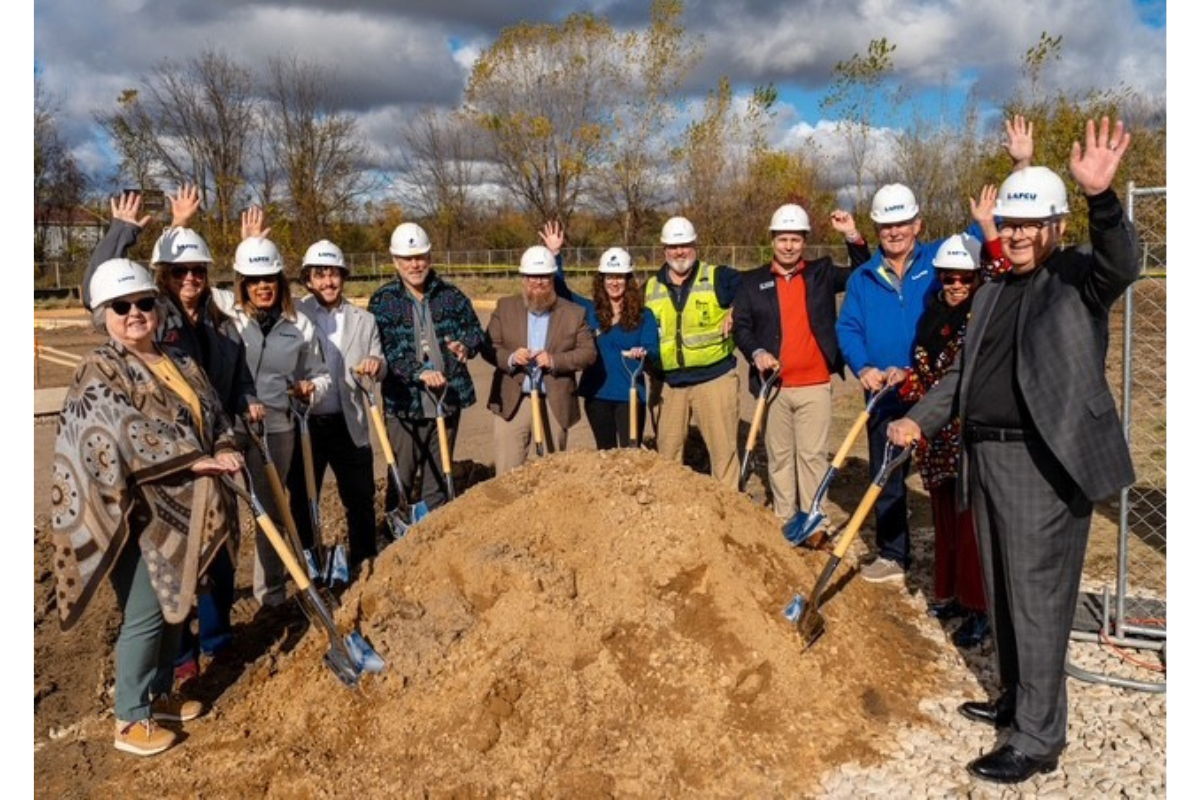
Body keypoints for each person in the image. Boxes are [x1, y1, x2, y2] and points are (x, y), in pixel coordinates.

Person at [888, 118, 1137, 784]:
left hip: (1044, 463)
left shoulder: (1080, 277)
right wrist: (917, 419)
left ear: (1056, 226)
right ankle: (1015, 702)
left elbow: (1124, 261)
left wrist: (1102, 200)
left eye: (1033, 224)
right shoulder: (993, 288)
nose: (1020, 234)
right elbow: (961, 374)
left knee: (1036, 598)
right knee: (1001, 590)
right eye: (1012, 224)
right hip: (984, 458)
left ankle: (1037, 737)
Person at [51, 257, 243, 756]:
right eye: (121, 306)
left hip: (182, 506)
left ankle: (159, 697)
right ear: (103, 315)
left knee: (174, 606)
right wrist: (193, 458)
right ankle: (130, 718)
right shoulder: (99, 368)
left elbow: (213, 412)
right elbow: (119, 431)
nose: (135, 313)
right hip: (132, 513)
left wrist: (224, 446)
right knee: (146, 611)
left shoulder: (178, 360)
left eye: (142, 303)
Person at [834, 118, 1034, 584]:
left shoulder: (944, 259)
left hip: (940, 395)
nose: (894, 232)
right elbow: (848, 327)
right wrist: (863, 368)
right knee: (886, 480)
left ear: (917, 224)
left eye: (902, 223)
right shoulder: (864, 277)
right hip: (885, 393)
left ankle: (965, 571)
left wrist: (1021, 165)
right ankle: (893, 554)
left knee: (953, 484)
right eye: (886, 225)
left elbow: (997, 220)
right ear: (877, 228)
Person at [889, 231, 990, 649]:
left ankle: (980, 608)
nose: (955, 286)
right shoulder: (931, 317)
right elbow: (925, 371)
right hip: (935, 439)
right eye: (949, 278)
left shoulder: (981, 320)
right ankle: (950, 594)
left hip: (966, 435)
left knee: (972, 526)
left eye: (965, 279)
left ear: (977, 281)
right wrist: (906, 379)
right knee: (944, 519)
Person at [227, 219, 331, 608]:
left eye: (270, 277)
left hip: (277, 427)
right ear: (243, 283)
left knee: (270, 512)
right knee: (222, 515)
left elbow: (321, 376)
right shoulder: (228, 315)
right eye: (254, 280)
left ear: (281, 281)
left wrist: (310, 390)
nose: (263, 286)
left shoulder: (299, 324)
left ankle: (270, 595)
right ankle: (215, 602)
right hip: (229, 425)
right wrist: (246, 244)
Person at [733, 203, 850, 529]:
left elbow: (865, 272)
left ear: (804, 242)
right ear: (772, 240)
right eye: (783, 239)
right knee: (780, 457)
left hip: (814, 384)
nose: (788, 246)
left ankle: (815, 520)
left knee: (812, 457)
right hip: (775, 388)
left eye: (795, 239)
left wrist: (852, 235)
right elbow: (741, 326)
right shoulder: (752, 282)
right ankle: (784, 518)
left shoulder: (821, 273)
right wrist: (756, 351)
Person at [368, 222, 487, 511]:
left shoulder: (451, 296)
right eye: (407, 258)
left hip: (446, 401)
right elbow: (386, 350)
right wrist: (419, 373)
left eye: (420, 256)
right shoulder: (383, 301)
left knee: (438, 477)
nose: (415, 264)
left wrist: (465, 345)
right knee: (402, 478)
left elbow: (475, 331)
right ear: (395, 261)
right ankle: (396, 535)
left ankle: (434, 540)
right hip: (404, 405)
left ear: (430, 257)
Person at [290, 239, 386, 569]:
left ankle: (364, 560)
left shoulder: (364, 319)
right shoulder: (295, 314)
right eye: (320, 275)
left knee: (360, 498)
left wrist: (375, 362)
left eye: (334, 274)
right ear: (308, 279)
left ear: (343, 277)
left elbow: (379, 358)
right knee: (304, 500)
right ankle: (309, 564)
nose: (328, 282)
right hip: (306, 423)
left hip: (349, 421)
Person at [540, 221, 660, 448]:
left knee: (629, 456)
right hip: (598, 396)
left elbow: (654, 349)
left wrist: (642, 352)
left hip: (631, 395)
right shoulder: (590, 311)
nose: (614, 282)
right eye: (609, 277)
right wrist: (555, 254)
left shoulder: (645, 315)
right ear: (602, 280)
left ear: (628, 280)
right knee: (604, 454)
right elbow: (560, 292)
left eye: (620, 277)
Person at [643, 216, 742, 487]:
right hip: (669, 385)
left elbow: (755, 290)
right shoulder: (650, 288)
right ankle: (672, 516)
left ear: (694, 245)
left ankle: (728, 514)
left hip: (715, 379)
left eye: (685, 245)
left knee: (724, 455)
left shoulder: (718, 277)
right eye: (674, 246)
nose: (679, 252)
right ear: (664, 249)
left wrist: (737, 310)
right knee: (667, 457)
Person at [483, 244, 596, 472]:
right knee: (507, 473)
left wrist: (554, 360)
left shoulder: (573, 313)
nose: (538, 283)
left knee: (552, 475)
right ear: (523, 278)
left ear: (553, 277)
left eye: (544, 277)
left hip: (553, 398)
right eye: (532, 277)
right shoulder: (505, 307)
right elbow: (488, 346)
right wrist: (513, 357)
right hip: (514, 400)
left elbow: (588, 353)